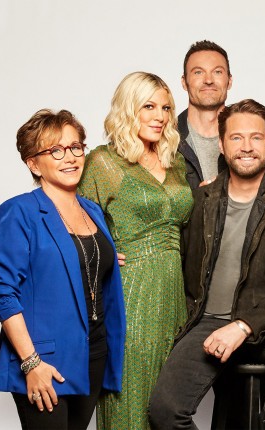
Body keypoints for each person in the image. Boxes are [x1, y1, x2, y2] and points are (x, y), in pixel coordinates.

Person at [148, 99, 265, 430]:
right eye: (236, 137)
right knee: (165, 411)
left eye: (256, 137)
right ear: (222, 145)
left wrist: (242, 325)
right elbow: (175, 254)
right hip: (207, 321)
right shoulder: (201, 200)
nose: (246, 147)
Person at [0, 109, 126, 429]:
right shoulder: (19, 211)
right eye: (56, 150)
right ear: (34, 164)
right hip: (43, 361)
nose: (70, 157)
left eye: (75, 146)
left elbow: (78, 262)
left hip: (93, 353)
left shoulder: (92, 210)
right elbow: (3, 294)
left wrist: (104, 259)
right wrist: (31, 363)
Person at [78, 72, 194, 429]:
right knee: (130, 398)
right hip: (131, 294)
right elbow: (72, 223)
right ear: (129, 109)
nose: (160, 116)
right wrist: (102, 254)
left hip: (174, 295)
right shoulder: (103, 162)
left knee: (167, 406)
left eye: (166, 108)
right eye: (149, 106)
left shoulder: (176, 162)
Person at [178, 40, 265, 189]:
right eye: (198, 72)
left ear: (229, 81)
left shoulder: (253, 133)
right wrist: (199, 198)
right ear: (184, 82)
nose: (208, 80)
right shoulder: (168, 137)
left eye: (217, 72)